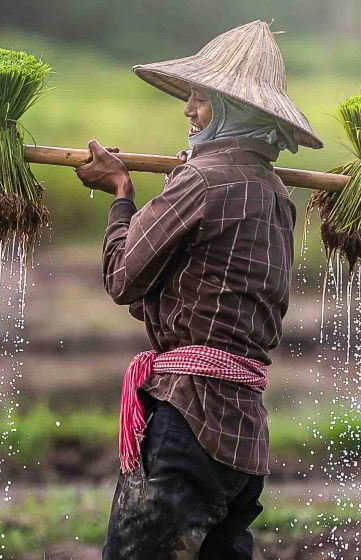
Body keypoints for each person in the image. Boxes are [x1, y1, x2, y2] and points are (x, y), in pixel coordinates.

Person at [74, 20, 325, 559]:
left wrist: (120, 193)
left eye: (202, 100)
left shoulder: (204, 180)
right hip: (242, 435)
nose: (189, 110)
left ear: (236, 112)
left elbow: (123, 278)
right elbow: (176, 292)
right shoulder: (276, 194)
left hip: (190, 420)